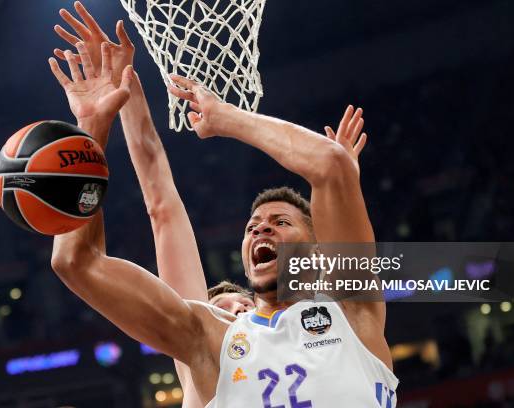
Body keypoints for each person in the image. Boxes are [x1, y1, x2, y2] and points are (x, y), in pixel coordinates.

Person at [48, 2, 397, 406]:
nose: (260, 229)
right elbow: (75, 262)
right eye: (252, 227)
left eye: (281, 222)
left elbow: (331, 165)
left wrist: (224, 117)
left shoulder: (352, 312)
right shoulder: (210, 338)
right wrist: (91, 128)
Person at [50, 3, 253, 407]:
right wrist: (117, 98)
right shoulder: (202, 348)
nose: (236, 309)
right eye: (224, 308)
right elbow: (160, 200)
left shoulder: (310, 336)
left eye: (244, 303)